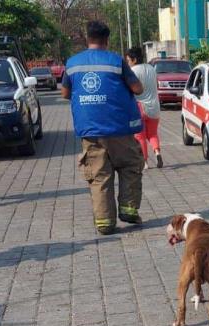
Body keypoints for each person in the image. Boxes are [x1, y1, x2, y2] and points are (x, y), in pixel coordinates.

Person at [62, 21, 145, 235]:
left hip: (90, 131)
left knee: (99, 176)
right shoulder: (116, 61)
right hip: (120, 128)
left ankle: (105, 223)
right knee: (130, 167)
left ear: (87, 38)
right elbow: (137, 88)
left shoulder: (72, 64)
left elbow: (65, 94)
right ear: (107, 40)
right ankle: (128, 209)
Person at [126, 47, 163, 170]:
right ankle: (157, 152)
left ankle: (145, 162)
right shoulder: (152, 69)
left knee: (139, 136)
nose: (128, 63)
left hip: (139, 107)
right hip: (154, 107)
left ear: (134, 59)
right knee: (152, 134)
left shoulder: (133, 71)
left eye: (128, 60)